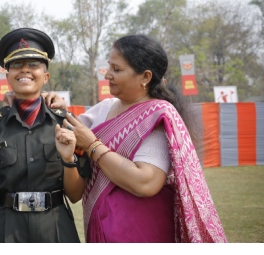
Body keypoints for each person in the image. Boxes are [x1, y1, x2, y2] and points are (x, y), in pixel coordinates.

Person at [64, 35, 227, 242]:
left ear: (145, 77)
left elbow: (145, 183)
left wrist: (93, 145)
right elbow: (69, 129)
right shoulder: (104, 108)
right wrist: (47, 105)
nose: (107, 75)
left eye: (117, 69)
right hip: (101, 227)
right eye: (109, 67)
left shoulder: (156, 115)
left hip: (142, 230)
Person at [0, 28, 82, 243]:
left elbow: (76, 196)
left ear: (46, 76)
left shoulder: (66, 123)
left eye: (33, 65)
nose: (25, 71)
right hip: (5, 230)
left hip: (55, 229)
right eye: (16, 65)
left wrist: (68, 159)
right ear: (7, 74)